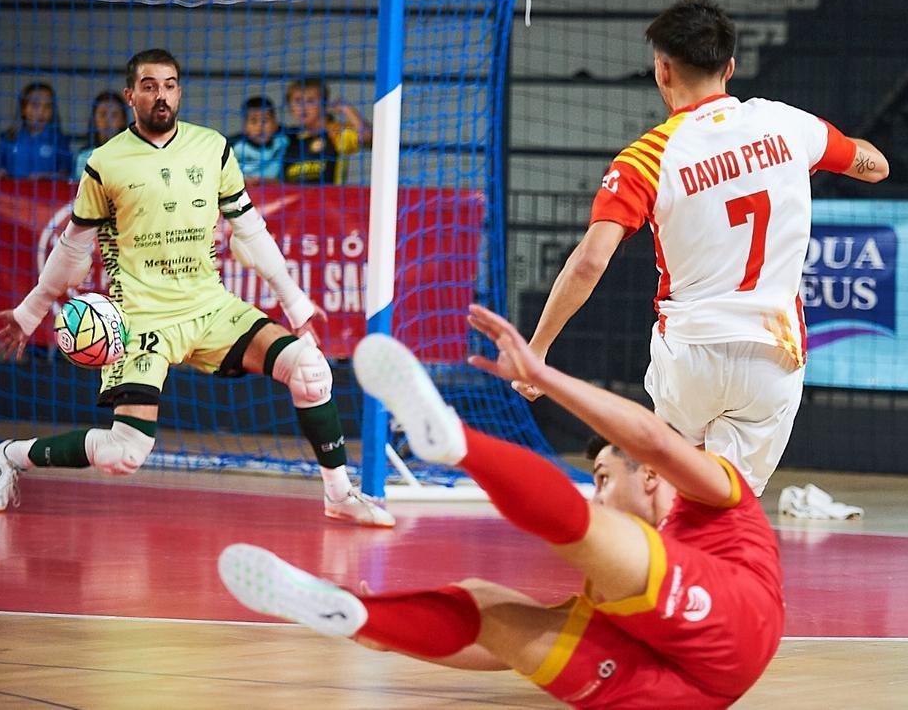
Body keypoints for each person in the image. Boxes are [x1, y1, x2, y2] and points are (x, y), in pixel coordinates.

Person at [219, 303, 784, 710]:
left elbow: (654, 439)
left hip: (736, 629)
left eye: (605, 477)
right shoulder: (616, 589)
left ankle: (459, 443)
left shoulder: (715, 499)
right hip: (672, 693)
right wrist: (383, 628)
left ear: (653, 479)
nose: (600, 491)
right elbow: (493, 649)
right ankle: (357, 612)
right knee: (487, 610)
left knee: (587, 533)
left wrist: (541, 375)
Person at [0, 48, 394, 528]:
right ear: (130, 94)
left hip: (209, 306)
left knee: (309, 368)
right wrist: (31, 311)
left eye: (170, 85)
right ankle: (10, 455)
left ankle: (340, 495)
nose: (162, 95)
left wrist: (294, 301)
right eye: (151, 85)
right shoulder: (105, 161)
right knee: (123, 454)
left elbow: (250, 229)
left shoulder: (213, 148)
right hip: (139, 319)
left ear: (179, 91)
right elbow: (73, 247)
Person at [515, 0, 889, 496]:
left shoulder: (645, 158)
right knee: (730, 505)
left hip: (692, 354)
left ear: (661, 71)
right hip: (772, 354)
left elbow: (589, 262)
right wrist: (846, 157)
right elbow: (875, 165)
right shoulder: (787, 124)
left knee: (673, 494)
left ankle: (664, 572)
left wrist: (536, 352)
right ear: (730, 66)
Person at [282, 78, 371, 184]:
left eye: (310, 101)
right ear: (290, 107)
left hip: (331, 199)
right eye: (297, 101)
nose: (303, 107)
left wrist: (347, 109)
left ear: (324, 104)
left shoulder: (336, 131)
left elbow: (367, 136)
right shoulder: (288, 138)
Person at [0, 81, 73, 179]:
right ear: (23, 108)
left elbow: (65, 173)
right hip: (12, 193)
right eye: (35, 105)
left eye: (47, 106)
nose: (41, 111)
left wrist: (46, 177)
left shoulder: (59, 140)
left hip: (45, 192)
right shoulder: (10, 137)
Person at [230, 96, 288, 184]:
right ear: (245, 127)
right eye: (253, 121)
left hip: (277, 190)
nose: (260, 127)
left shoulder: (284, 139)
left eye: (265, 121)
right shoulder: (234, 146)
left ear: (275, 124)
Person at [73, 90, 130, 180]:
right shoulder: (84, 156)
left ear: (123, 120)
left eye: (114, 115)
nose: (108, 121)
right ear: (94, 119)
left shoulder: (130, 154)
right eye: (103, 114)